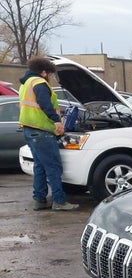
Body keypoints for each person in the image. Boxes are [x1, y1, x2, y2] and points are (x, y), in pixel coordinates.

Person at [18, 56, 78, 211]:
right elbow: (44, 103)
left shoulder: (25, 84)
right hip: (42, 131)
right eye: (50, 74)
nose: (50, 77)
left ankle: (39, 199)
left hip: (29, 129)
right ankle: (59, 201)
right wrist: (57, 121)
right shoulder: (39, 83)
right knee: (53, 167)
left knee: (40, 166)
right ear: (43, 72)